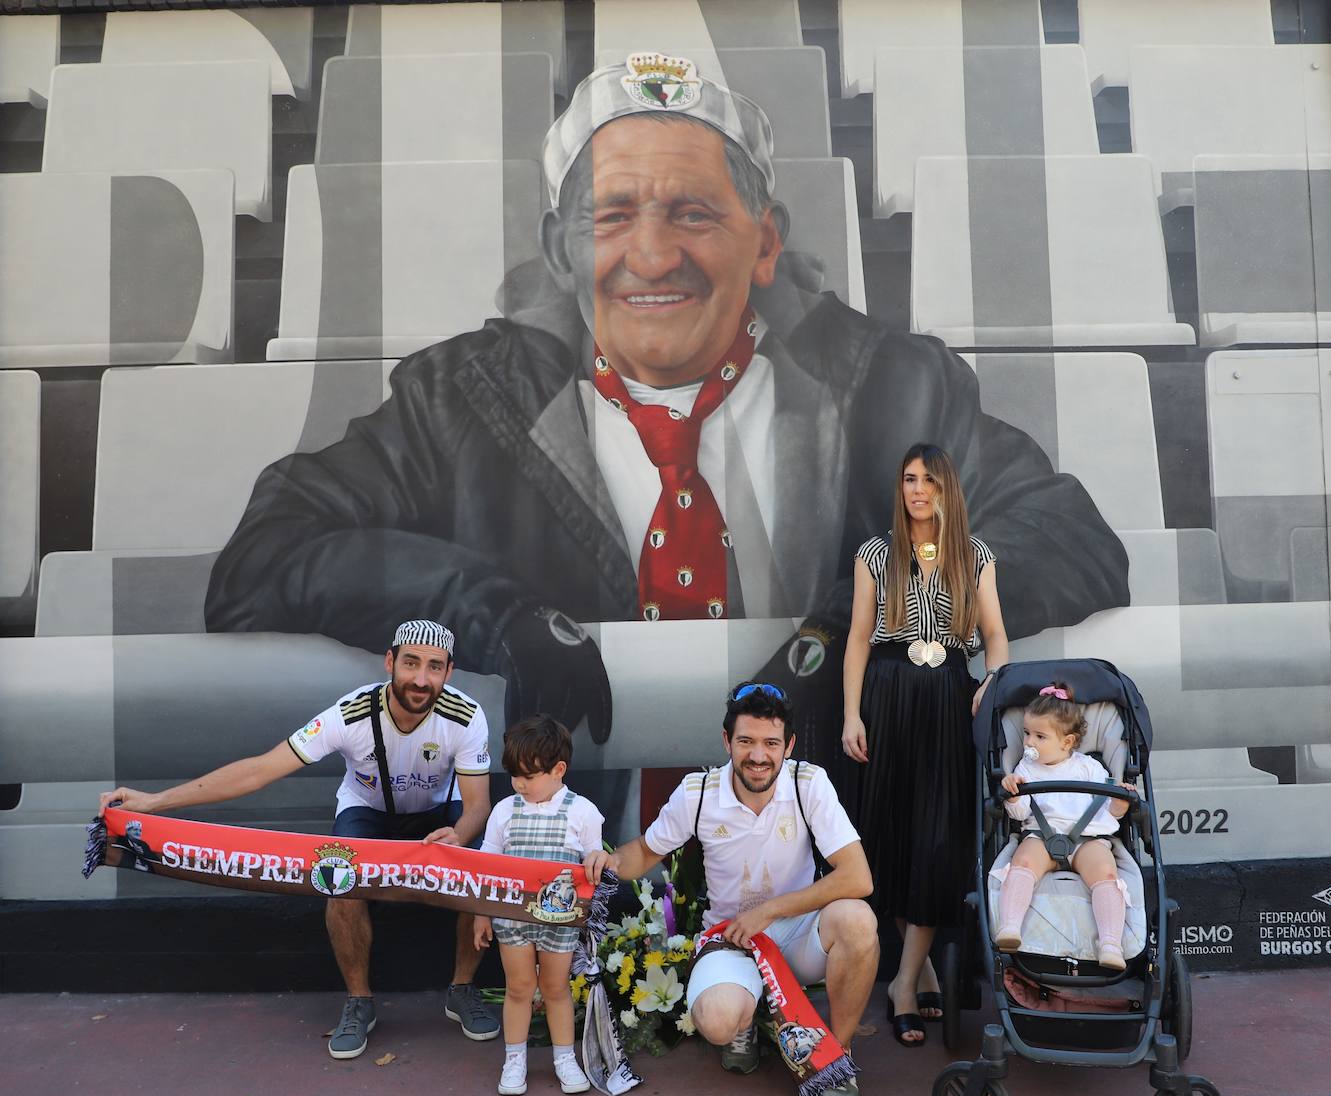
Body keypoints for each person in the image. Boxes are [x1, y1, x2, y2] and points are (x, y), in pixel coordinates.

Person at [202, 52, 1129, 792]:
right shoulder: (459, 401)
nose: (652, 253)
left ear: (765, 241)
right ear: (561, 252)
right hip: (560, 861)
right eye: (612, 216)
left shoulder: (891, 385)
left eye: (693, 212)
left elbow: (1066, 535)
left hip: (812, 852)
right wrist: (489, 613)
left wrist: (867, 619)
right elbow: (268, 554)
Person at [97, 619, 500, 1059]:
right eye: (411, 663)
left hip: (440, 815)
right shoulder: (349, 714)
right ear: (390, 662)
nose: (421, 679)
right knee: (337, 880)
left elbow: (479, 804)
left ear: (449, 672)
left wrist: (459, 835)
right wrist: (152, 802)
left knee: (476, 867)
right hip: (367, 809)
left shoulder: (465, 715)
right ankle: (359, 1002)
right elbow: (259, 770)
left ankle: (462, 989)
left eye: (434, 667)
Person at [583, 682, 879, 1096]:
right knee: (718, 1022)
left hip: (797, 932)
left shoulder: (808, 783)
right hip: (732, 938)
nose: (758, 755)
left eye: (771, 743)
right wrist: (607, 861)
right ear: (727, 741)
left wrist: (771, 911)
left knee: (857, 920)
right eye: (746, 741)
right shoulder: (698, 792)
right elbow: (645, 853)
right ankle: (745, 1024)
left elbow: (858, 877)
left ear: (789, 745)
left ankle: (836, 1057)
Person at [841, 443, 1009, 1047]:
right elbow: (858, 638)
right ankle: (922, 968)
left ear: (947, 489)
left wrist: (991, 680)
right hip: (889, 693)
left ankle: (904, 982)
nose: (917, 490)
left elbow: (995, 635)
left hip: (946, 699)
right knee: (893, 832)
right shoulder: (876, 553)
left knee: (939, 839)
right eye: (909, 478)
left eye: (929, 480)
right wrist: (851, 713)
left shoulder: (976, 554)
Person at [474, 714, 603, 1096]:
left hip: (560, 919)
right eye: (514, 775)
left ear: (558, 769)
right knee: (518, 987)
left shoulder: (582, 812)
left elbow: (595, 854)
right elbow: (488, 866)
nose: (519, 784)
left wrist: (597, 858)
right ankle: (514, 1059)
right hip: (512, 918)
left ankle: (565, 1058)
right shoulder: (504, 811)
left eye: (528, 775)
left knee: (555, 987)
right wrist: (482, 913)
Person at [995, 682, 1135, 971]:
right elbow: (1021, 813)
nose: (1029, 742)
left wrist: (1119, 804)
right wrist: (1013, 794)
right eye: (1026, 734)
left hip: (1087, 838)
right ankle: (1010, 927)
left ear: (1067, 742)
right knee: (1022, 861)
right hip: (1041, 835)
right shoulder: (1025, 769)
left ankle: (1110, 943)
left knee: (1106, 873)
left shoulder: (1089, 768)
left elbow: (1108, 806)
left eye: (1039, 736)